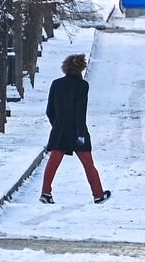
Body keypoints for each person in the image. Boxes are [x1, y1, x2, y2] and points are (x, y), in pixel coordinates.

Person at [40, 54, 111, 204]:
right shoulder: (82, 85)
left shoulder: (56, 84)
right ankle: (98, 194)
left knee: (53, 161)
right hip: (76, 130)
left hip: (59, 130)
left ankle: (46, 192)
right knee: (88, 163)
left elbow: (49, 111)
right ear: (81, 68)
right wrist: (80, 132)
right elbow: (80, 110)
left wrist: (57, 125)